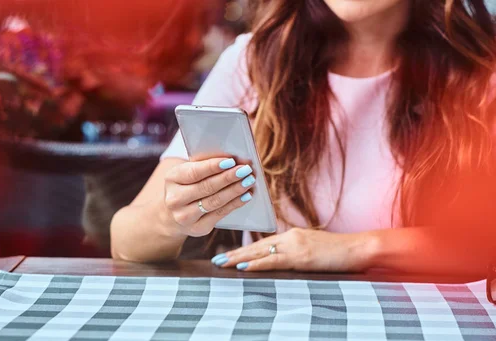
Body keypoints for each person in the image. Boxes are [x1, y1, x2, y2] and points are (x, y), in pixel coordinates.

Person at [110, 0, 496, 275]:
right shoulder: (253, 62)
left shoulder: (480, 72)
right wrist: (173, 217)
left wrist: (353, 249)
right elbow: (125, 239)